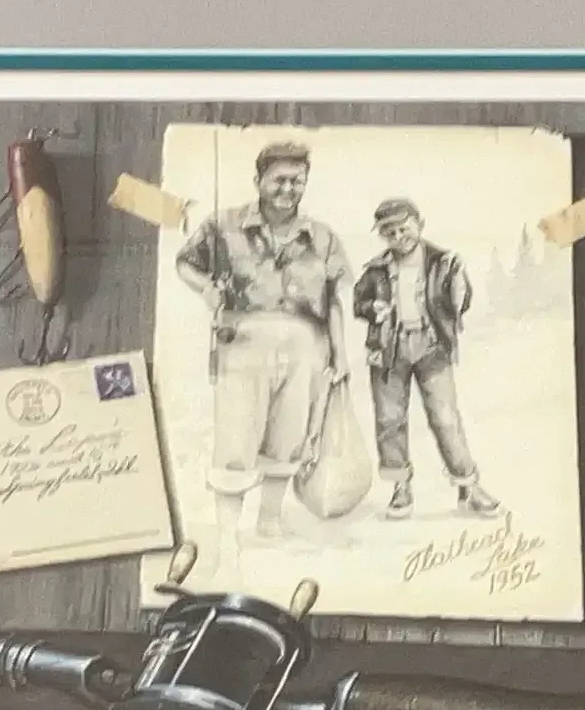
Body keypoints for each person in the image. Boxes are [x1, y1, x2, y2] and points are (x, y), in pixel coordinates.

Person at [174, 140, 354, 573]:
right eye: (279, 180)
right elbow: (185, 263)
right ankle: (227, 540)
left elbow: (333, 299)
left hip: (306, 347)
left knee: (287, 437)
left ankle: (269, 522)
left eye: (297, 181)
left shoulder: (323, 237)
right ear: (258, 180)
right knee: (235, 440)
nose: (288, 189)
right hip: (242, 343)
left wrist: (340, 353)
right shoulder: (223, 225)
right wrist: (205, 288)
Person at [352, 197, 501, 519]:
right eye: (389, 232)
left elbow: (461, 302)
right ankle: (400, 487)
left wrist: (458, 282)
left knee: (445, 419)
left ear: (419, 224)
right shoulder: (376, 269)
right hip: (388, 351)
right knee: (389, 420)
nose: (398, 237)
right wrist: (371, 309)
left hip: (432, 348)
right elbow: (358, 303)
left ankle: (468, 487)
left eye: (403, 228)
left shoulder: (443, 262)